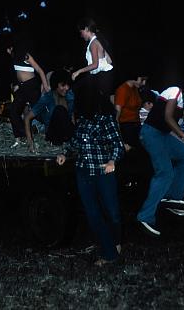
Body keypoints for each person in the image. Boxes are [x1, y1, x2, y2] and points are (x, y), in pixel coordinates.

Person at [56, 82, 124, 266]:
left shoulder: (106, 119)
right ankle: (109, 253)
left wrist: (112, 161)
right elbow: (75, 143)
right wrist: (64, 153)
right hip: (84, 171)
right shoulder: (83, 121)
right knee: (93, 214)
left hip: (103, 171)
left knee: (112, 212)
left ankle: (116, 243)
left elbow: (117, 144)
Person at [137, 84, 184, 237]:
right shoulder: (175, 90)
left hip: (164, 135)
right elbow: (168, 118)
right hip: (151, 133)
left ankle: (173, 197)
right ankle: (145, 217)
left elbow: (173, 127)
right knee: (165, 173)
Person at [7, 38, 50, 147]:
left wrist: (45, 86)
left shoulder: (26, 56)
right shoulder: (14, 58)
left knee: (39, 113)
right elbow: (19, 73)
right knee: (13, 111)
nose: (8, 51)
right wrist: (18, 85)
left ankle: (52, 129)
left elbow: (40, 70)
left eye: (9, 49)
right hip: (22, 88)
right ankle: (21, 137)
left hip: (32, 86)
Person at [24, 70, 75, 152]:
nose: (67, 88)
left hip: (67, 134)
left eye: (68, 85)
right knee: (59, 110)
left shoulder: (70, 96)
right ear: (55, 85)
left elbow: (71, 115)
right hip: (53, 134)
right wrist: (30, 142)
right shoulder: (47, 98)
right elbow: (27, 118)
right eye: (63, 85)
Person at [71, 18, 114, 103]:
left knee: (78, 90)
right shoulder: (97, 41)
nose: (81, 35)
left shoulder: (93, 43)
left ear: (86, 29)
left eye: (81, 32)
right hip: (104, 77)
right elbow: (109, 61)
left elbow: (95, 65)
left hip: (101, 77)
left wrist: (78, 72)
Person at [114, 74, 149, 150]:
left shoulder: (135, 88)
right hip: (126, 126)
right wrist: (118, 135)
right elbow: (117, 113)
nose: (144, 83)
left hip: (136, 124)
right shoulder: (123, 89)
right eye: (142, 80)